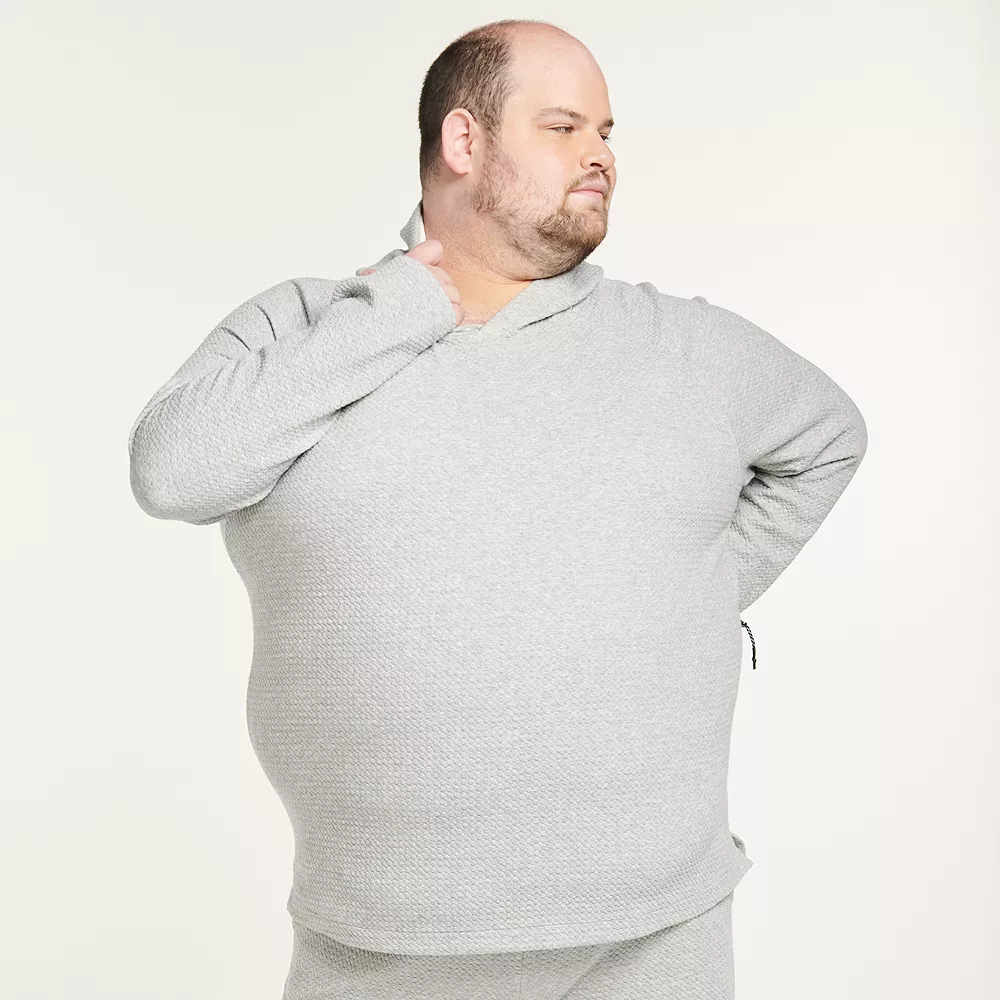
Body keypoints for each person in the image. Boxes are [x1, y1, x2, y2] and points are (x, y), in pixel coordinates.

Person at [127, 18, 868, 1000]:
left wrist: (685, 593)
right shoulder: (303, 326)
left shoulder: (685, 347)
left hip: (658, 936)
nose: (600, 153)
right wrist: (402, 308)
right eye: (563, 126)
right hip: (380, 945)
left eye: (606, 131)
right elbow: (174, 471)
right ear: (463, 141)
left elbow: (828, 436)